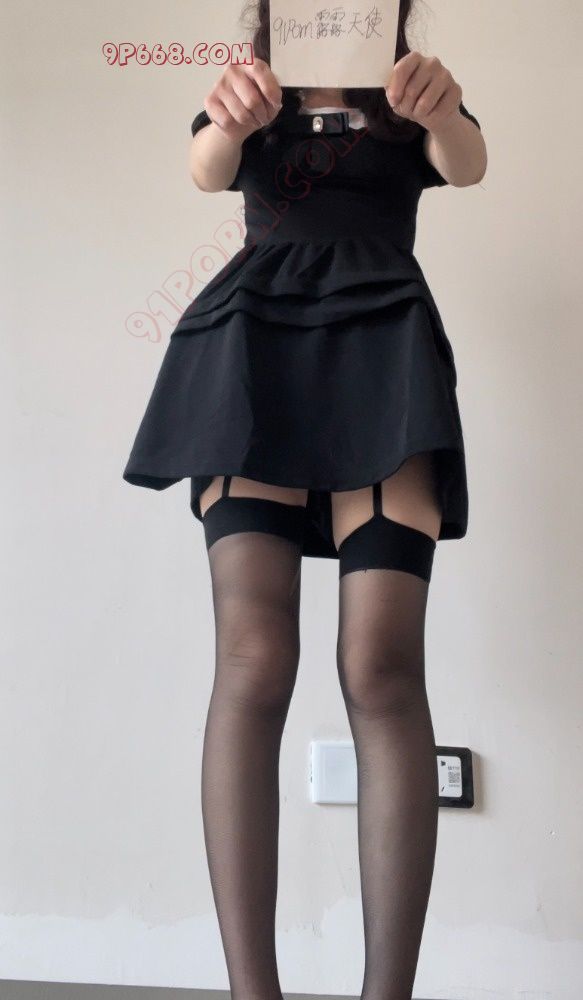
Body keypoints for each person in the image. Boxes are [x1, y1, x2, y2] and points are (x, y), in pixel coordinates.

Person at [123, 0, 487, 995]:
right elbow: (204, 168)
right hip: (254, 352)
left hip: (384, 354)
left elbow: (465, 163)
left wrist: (441, 108)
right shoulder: (252, 87)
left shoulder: (412, 92)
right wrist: (228, 121)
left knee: (380, 666)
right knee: (252, 660)